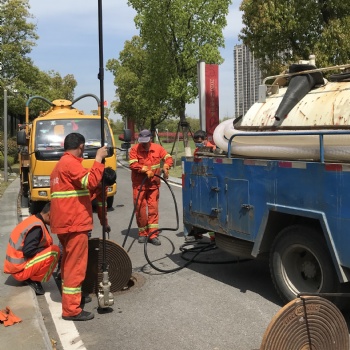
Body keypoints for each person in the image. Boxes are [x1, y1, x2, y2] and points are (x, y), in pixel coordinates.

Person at [50, 132, 108, 321]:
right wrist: (98, 159)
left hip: (64, 223)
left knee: (68, 264)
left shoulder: (59, 166)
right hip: (74, 223)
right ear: (81, 147)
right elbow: (90, 182)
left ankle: (72, 297)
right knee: (76, 266)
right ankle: (71, 310)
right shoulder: (71, 164)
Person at [3, 202, 60, 295]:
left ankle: (31, 276)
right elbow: (29, 251)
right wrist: (46, 251)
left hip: (17, 268)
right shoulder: (36, 227)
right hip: (20, 271)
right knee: (54, 251)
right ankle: (34, 280)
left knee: (49, 249)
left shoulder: (34, 220)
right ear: (49, 215)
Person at [129, 129, 173, 246]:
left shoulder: (158, 148)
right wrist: (145, 170)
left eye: (146, 141)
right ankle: (143, 233)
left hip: (153, 185)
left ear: (151, 139)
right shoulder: (135, 149)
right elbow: (133, 164)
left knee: (153, 209)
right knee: (140, 209)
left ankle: (152, 234)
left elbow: (168, 157)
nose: (143, 143)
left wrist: (167, 166)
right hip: (139, 185)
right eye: (142, 141)